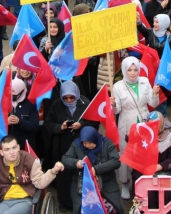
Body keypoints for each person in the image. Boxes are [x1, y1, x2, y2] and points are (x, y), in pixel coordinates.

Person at [110, 57, 160, 199]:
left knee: (145, 151)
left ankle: (144, 180)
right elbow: (117, 111)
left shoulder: (145, 82)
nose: (133, 73)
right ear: (124, 70)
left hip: (145, 121)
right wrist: (112, 104)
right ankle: (125, 183)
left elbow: (152, 103)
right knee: (126, 154)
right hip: (127, 123)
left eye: (135, 69)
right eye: (129, 70)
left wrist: (155, 94)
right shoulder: (118, 86)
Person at [44, 81, 91, 212]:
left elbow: (94, 122)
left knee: (81, 172)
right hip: (62, 144)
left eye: (72, 97)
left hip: (81, 143)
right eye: (66, 98)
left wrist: (81, 124)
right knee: (63, 174)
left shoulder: (85, 103)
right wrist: (61, 127)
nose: (69, 100)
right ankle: (64, 202)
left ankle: (83, 201)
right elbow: (48, 124)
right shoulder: (56, 105)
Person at [62, 126, 124, 214]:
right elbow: (65, 159)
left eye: (89, 142)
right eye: (84, 143)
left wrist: (96, 169)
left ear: (95, 138)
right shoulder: (76, 144)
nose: (87, 145)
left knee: (115, 208)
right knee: (81, 209)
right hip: (82, 183)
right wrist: (76, 162)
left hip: (107, 182)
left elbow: (116, 161)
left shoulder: (106, 143)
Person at [7, 78, 39, 152]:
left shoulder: (31, 104)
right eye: (9, 90)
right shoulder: (4, 102)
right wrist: (5, 123)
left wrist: (19, 121)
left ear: (21, 91)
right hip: (7, 145)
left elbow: (34, 126)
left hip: (24, 146)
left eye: (13, 91)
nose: (11, 93)